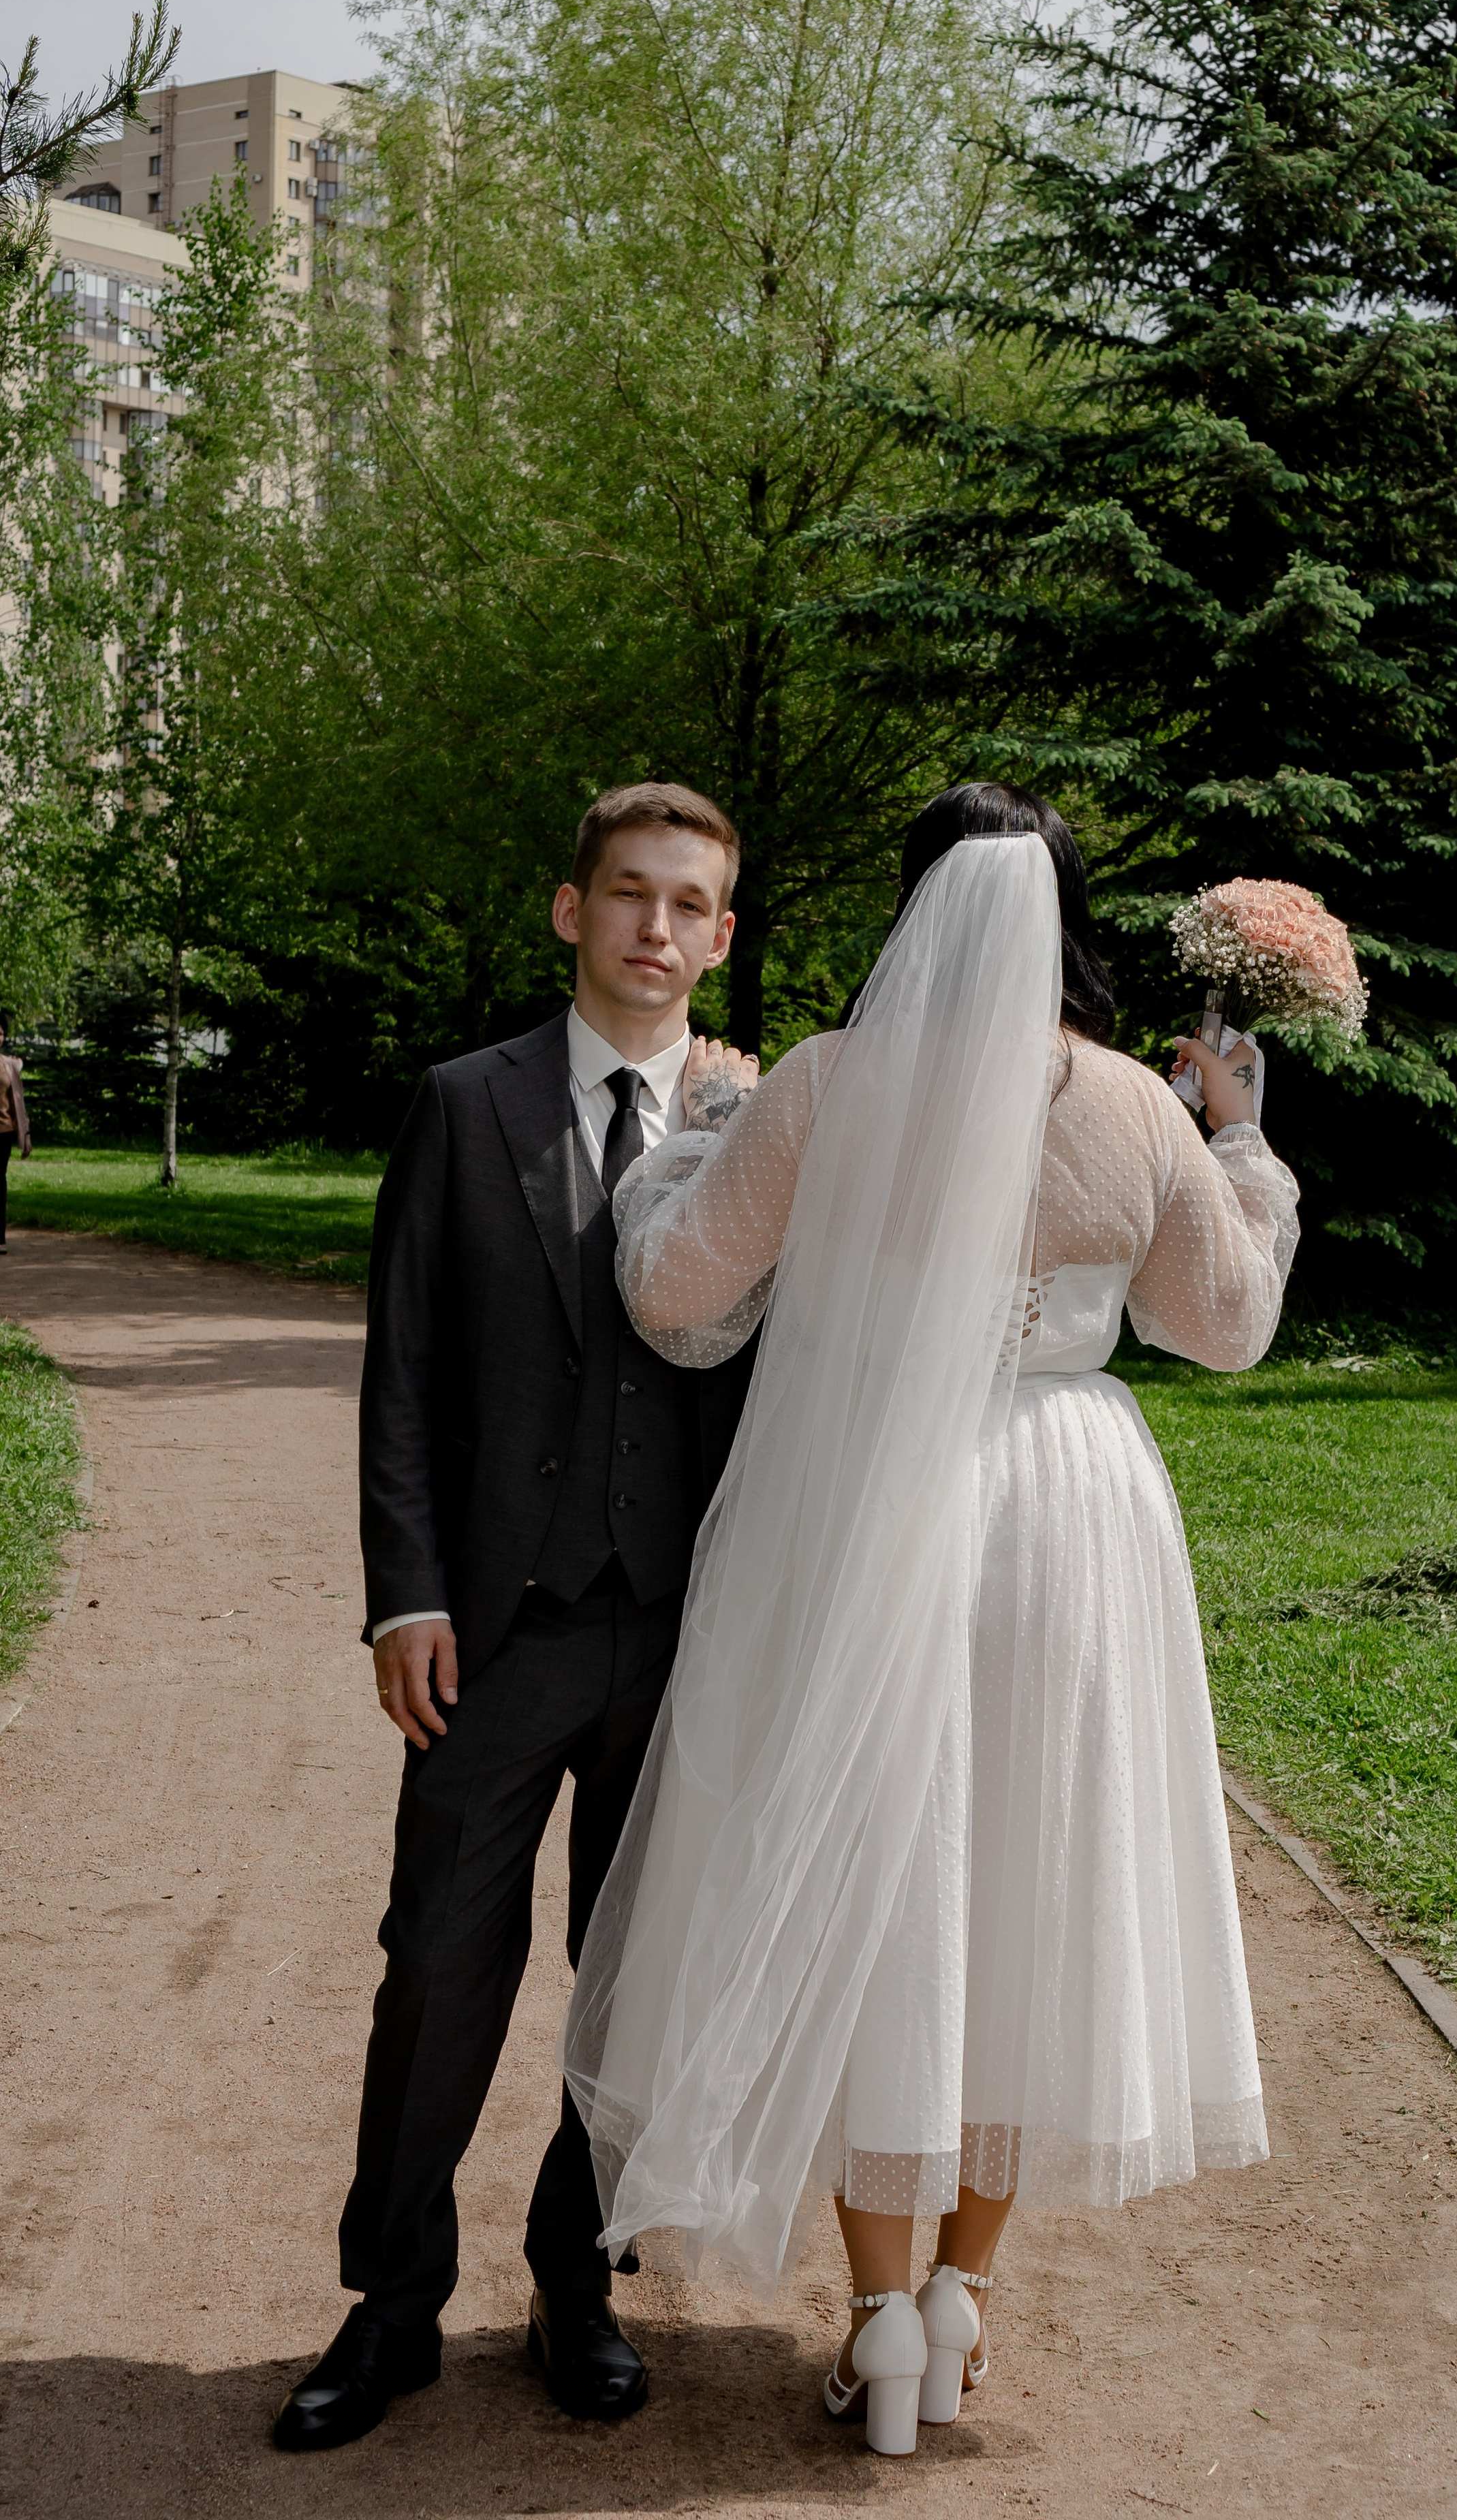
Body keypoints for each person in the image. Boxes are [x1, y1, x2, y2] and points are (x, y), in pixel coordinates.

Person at [563, 781, 1301, 2456]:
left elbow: (675, 1293)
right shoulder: (1128, 1105)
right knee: (1027, 1889)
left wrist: (690, 1141)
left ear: (914, 914)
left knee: (888, 1894)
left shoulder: (826, 1086)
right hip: (1068, 1515)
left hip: (866, 1509)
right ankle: (964, 2290)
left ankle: (884, 2311)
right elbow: (1220, 1324)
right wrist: (1241, 1137)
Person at [274, 783, 762, 2455]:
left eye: (687, 903)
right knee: (438, 1966)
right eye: (626, 894)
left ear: (719, 931)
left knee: (629, 1981)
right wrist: (401, 1590)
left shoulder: (759, 1117)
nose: (654, 927)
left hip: (680, 1629)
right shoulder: (462, 1104)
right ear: (571, 912)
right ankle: (390, 2301)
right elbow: (401, 1365)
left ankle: (581, 2275)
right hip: (497, 1628)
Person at [0, 1016, 32, 1251]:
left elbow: (18, 1104)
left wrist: (26, 1135)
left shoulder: (9, 1066)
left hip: (4, 1131)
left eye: (0, 1034)